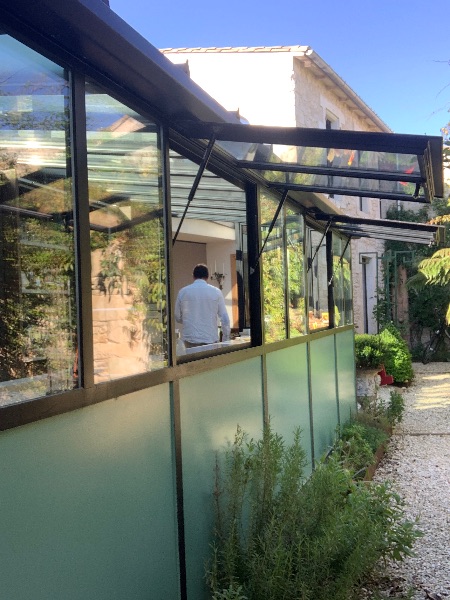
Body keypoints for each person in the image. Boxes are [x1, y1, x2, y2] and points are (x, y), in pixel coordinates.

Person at [175, 263, 230, 348]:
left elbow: (177, 316)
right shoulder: (216, 292)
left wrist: (189, 319)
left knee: (192, 361)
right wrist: (226, 339)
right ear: (207, 277)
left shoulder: (183, 292)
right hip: (211, 338)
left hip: (190, 339)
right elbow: (225, 318)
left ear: (193, 276)